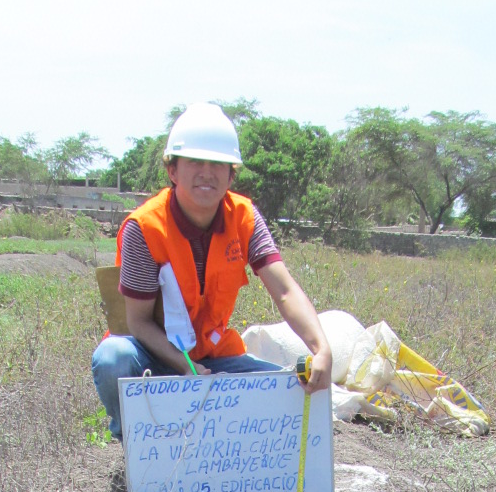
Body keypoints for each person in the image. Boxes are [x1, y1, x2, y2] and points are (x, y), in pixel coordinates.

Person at [91, 102, 332, 440]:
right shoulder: (145, 228)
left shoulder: (245, 218)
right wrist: (184, 367)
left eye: (218, 164)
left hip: (211, 359)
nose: (207, 172)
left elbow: (285, 290)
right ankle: (133, 443)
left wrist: (321, 348)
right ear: (173, 171)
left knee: (284, 390)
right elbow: (138, 322)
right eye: (195, 162)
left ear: (232, 175)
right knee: (112, 358)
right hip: (151, 356)